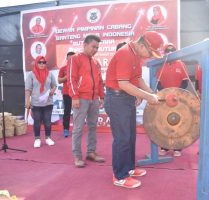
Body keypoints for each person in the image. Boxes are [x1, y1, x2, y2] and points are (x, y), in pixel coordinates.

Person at [104, 31, 164, 188]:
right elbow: (123, 84)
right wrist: (147, 96)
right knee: (122, 138)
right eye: (150, 52)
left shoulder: (136, 55)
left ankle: (129, 168)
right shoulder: (125, 53)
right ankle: (120, 176)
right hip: (117, 99)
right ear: (142, 44)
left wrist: (152, 94)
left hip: (126, 98)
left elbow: (138, 79)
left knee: (130, 136)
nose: (149, 56)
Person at [67, 35, 105, 168]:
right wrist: (75, 97)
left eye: (97, 47)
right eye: (93, 46)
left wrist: (102, 96)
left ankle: (91, 152)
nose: (95, 50)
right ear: (85, 44)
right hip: (81, 98)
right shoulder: (74, 59)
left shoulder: (96, 62)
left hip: (94, 99)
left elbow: (100, 81)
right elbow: (71, 79)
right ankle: (77, 156)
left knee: (93, 126)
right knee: (78, 128)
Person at [156, 43, 189, 157]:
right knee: (165, 123)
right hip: (164, 99)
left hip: (178, 99)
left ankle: (178, 147)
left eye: (172, 50)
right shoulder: (160, 65)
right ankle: (165, 147)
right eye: (167, 51)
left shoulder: (181, 64)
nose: (170, 52)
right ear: (164, 53)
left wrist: (176, 94)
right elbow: (158, 83)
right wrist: (165, 94)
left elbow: (185, 82)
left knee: (178, 123)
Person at [25, 56, 57, 148]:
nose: (42, 64)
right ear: (36, 63)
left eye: (44, 62)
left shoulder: (50, 74)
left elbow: (54, 85)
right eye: (40, 62)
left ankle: (48, 138)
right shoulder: (31, 74)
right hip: (36, 103)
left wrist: (52, 90)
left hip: (48, 102)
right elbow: (28, 89)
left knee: (47, 122)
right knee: (37, 122)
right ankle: (37, 139)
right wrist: (27, 101)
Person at [58, 51, 75, 138]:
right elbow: (59, 80)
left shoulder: (79, 68)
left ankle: (76, 130)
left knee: (78, 112)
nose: (71, 60)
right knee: (67, 111)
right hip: (67, 93)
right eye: (69, 59)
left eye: (73, 58)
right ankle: (66, 129)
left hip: (77, 93)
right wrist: (67, 76)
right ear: (66, 59)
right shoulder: (63, 68)